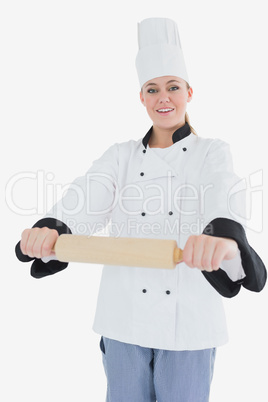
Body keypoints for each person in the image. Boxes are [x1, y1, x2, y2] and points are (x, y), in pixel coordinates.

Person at [15, 18, 266, 402]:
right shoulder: (120, 157)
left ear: (188, 92)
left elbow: (222, 189)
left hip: (189, 325)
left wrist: (225, 238)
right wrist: (53, 227)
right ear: (142, 98)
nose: (163, 97)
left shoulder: (211, 152)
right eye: (153, 89)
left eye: (172, 87)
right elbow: (86, 194)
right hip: (123, 319)